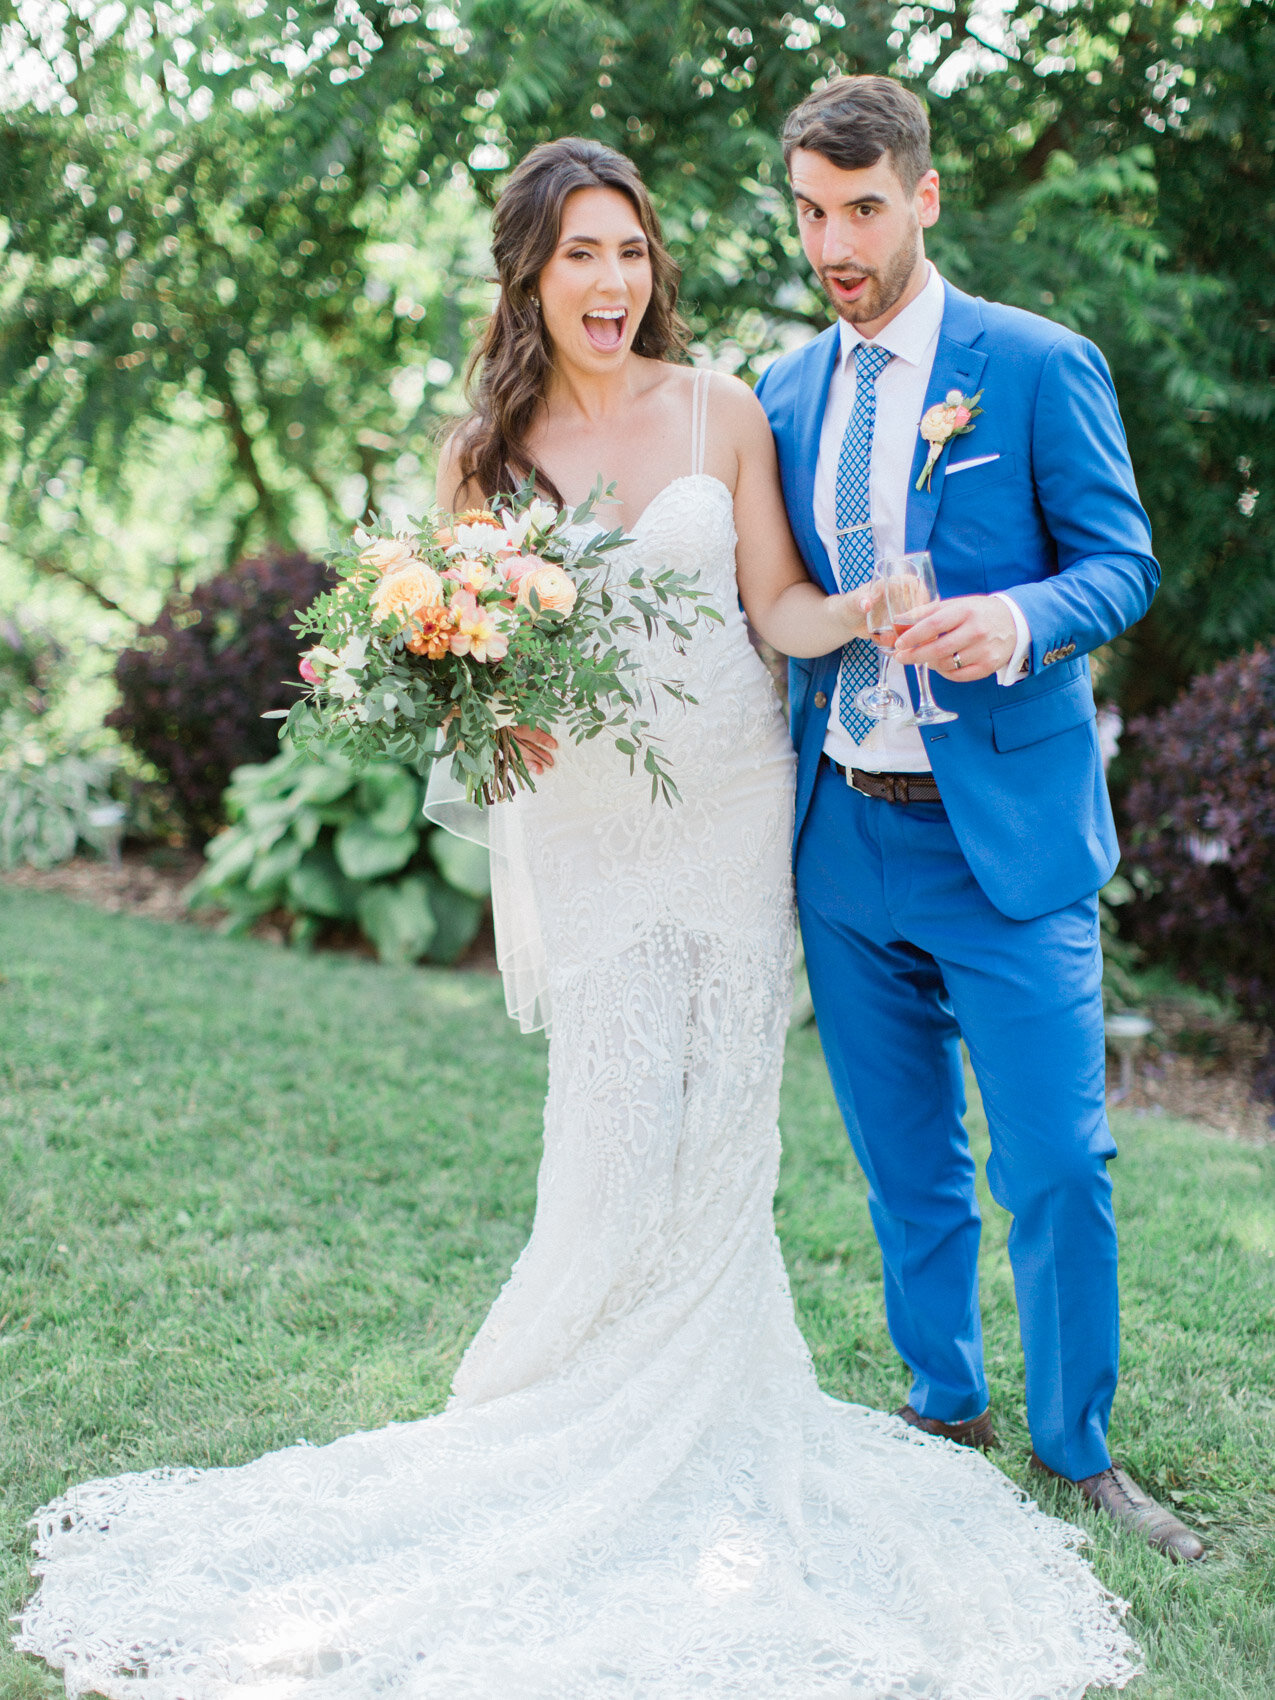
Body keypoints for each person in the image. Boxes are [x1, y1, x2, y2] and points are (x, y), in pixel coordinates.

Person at [16, 137, 1141, 1698]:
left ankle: (867, 1420)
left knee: (732, 1143)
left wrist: (879, 604)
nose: (611, 282)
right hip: (597, 834)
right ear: (531, 274)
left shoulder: (727, 408)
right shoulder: (484, 455)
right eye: (579, 256)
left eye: (629, 252)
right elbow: (466, 676)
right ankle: (598, 1407)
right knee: (614, 1144)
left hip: (739, 813)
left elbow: (778, 615)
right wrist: (488, 728)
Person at [754, 73, 1203, 1563]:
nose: (838, 241)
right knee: (905, 1164)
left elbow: (1122, 565)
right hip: (844, 839)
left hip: (1002, 845)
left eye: (865, 208)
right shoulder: (785, 391)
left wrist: (1011, 621)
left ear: (926, 197)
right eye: (813, 211)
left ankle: (1077, 1447)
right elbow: (772, 610)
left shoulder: (1033, 363)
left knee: (1060, 1161)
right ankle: (943, 1404)